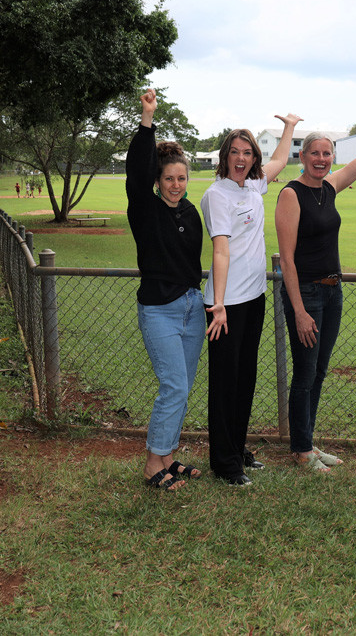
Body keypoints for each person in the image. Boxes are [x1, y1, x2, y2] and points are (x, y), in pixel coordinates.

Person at [275, 84, 356, 471]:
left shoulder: (331, 186)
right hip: (305, 294)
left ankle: (306, 442)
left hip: (332, 291)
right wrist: (298, 311)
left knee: (319, 371)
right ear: (303, 156)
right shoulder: (291, 195)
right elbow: (287, 261)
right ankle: (302, 449)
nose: (322, 159)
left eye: (327, 153)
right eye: (315, 153)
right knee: (305, 373)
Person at [201, 112, 302, 486]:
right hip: (226, 306)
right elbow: (221, 252)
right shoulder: (217, 195)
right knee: (225, 383)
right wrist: (220, 305)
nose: (241, 159)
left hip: (253, 297)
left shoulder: (252, 187)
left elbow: (278, 161)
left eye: (248, 153)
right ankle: (224, 463)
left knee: (245, 379)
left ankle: (237, 448)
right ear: (225, 156)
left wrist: (289, 128)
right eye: (235, 152)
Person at [126, 89, 205, 491]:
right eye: (168, 179)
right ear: (157, 182)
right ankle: (151, 463)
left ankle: (169, 456)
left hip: (193, 308)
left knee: (183, 385)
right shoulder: (145, 208)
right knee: (173, 384)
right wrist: (147, 120)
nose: (175, 185)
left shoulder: (191, 214)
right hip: (159, 309)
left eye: (181, 178)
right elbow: (136, 171)